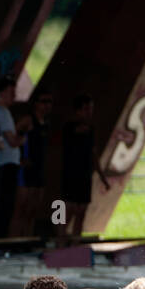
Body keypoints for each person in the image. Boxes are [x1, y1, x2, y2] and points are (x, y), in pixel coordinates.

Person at [59, 94, 111, 246]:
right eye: (86, 109)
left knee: (81, 212)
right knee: (65, 211)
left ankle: (76, 244)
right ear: (78, 111)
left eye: (91, 109)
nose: (89, 113)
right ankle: (60, 242)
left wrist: (102, 177)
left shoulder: (91, 130)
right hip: (70, 176)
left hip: (84, 176)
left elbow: (94, 154)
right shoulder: (69, 128)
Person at [14, 87, 52, 239]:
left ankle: (27, 240)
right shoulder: (28, 120)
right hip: (26, 169)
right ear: (35, 103)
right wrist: (19, 158)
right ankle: (14, 241)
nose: (47, 105)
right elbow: (11, 137)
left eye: (49, 102)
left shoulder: (46, 122)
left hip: (39, 169)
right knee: (20, 209)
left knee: (32, 210)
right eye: (44, 101)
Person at [0, 76, 23, 237]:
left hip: (8, 162)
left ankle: (0, 237)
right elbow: (12, 140)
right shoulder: (1, 112)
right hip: (6, 163)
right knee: (3, 204)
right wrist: (23, 136)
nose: (14, 96)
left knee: (5, 204)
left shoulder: (3, 112)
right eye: (11, 92)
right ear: (1, 94)